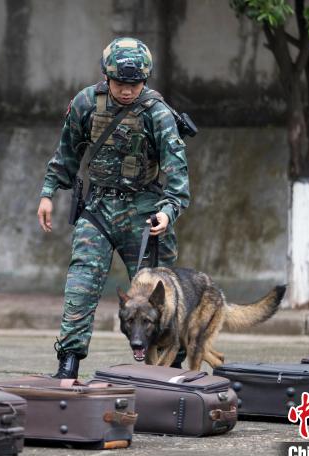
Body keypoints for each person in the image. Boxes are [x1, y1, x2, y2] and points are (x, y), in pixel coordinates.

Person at [37, 37, 190, 378]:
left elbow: (176, 172)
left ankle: (170, 366)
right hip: (99, 208)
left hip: (144, 211)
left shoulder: (158, 114)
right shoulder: (86, 104)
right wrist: (48, 192)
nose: (126, 91)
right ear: (107, 77)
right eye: (120, 83)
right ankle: (69, 362)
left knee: (158, 296)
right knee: (81, 283)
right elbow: (66, 153)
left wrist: (167, 211)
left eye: (134, 84)